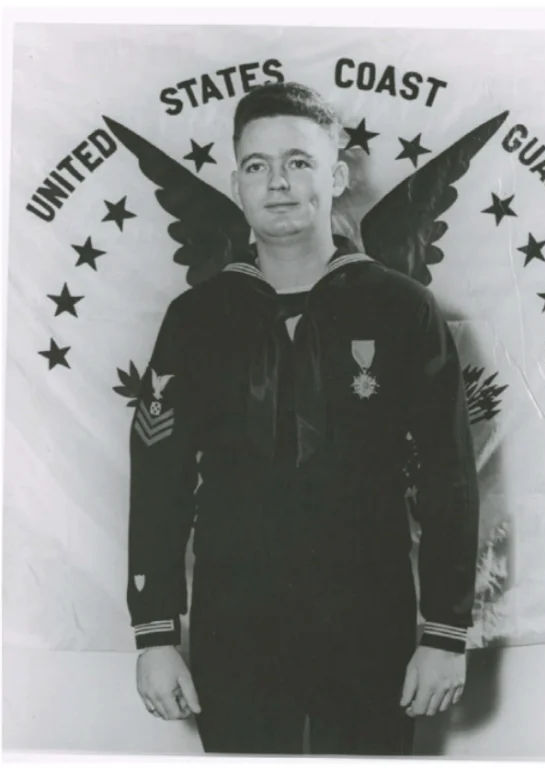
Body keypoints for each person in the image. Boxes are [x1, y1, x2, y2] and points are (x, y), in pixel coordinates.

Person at [127, 81, 479, 755]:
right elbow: (158, 480)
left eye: (298, 162)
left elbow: (449, 476)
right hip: (235, 622)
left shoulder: (401, 308)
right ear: (235, 184)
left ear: (337, 176)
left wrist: (445, 633)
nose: (278, 183)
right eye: (256, 166)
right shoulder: (197, 318)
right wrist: (155, 634)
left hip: (368, 614)